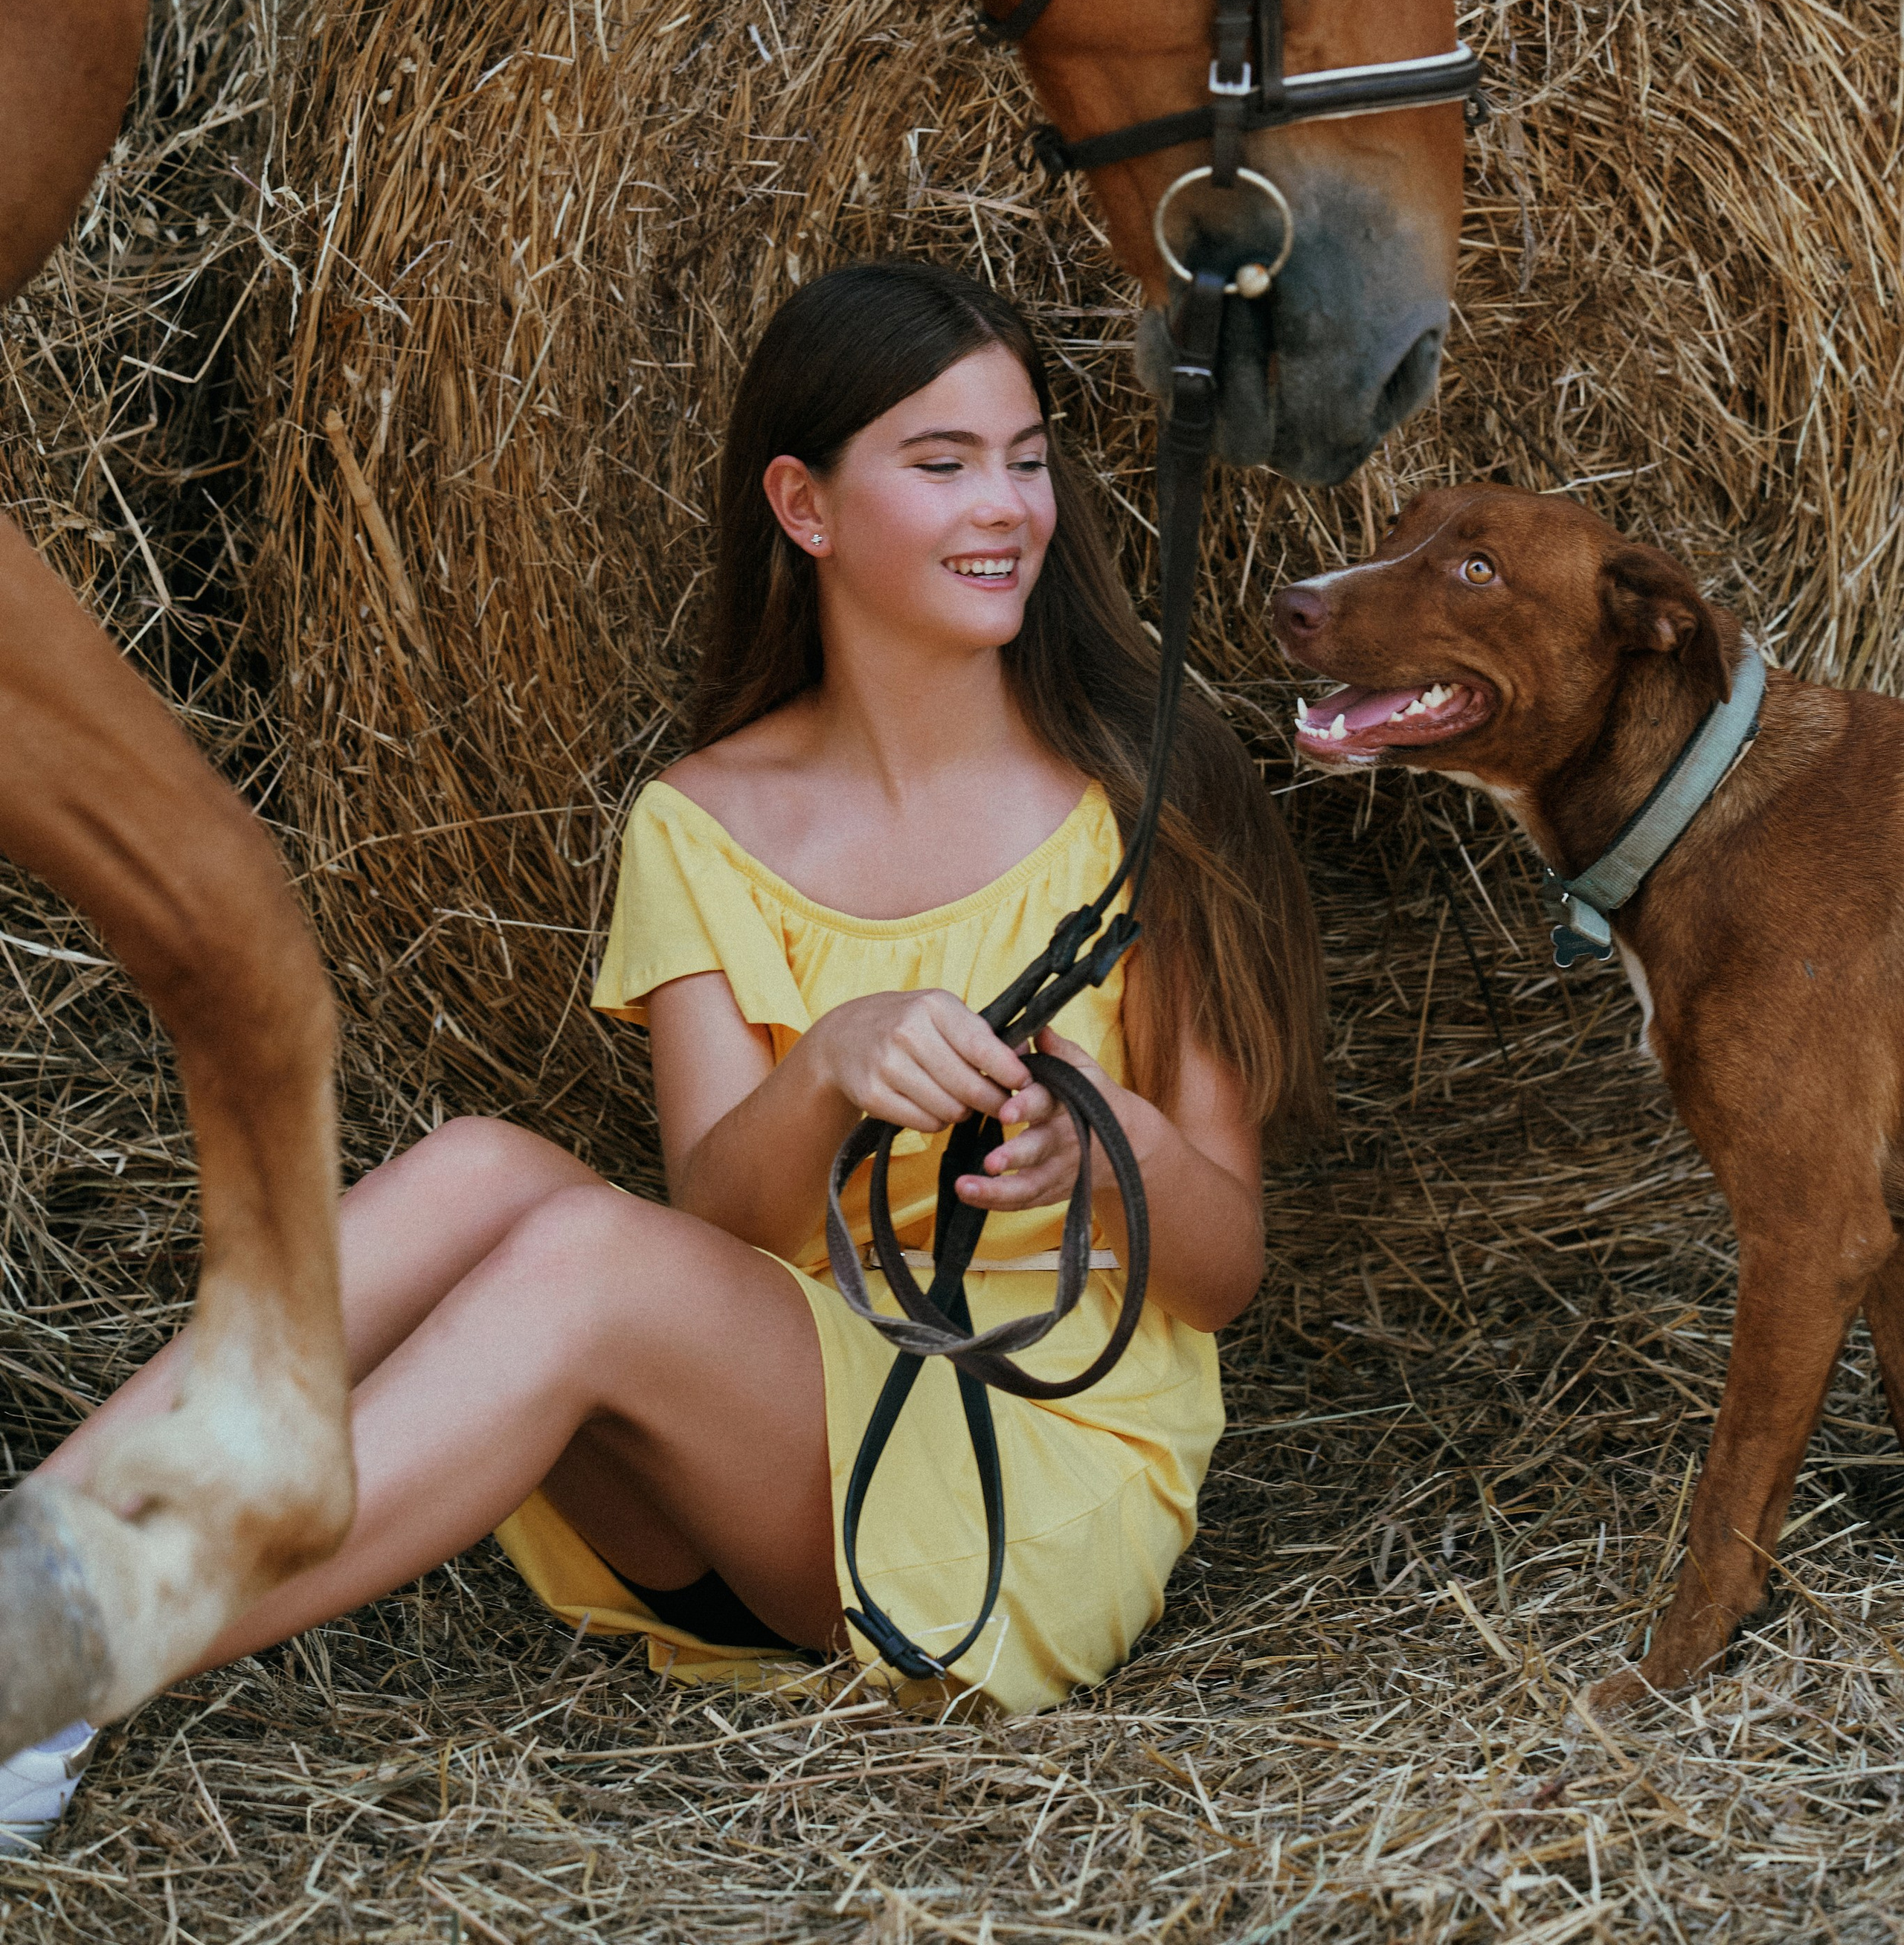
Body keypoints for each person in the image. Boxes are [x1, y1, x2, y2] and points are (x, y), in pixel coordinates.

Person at [4, 258, 1326, 1835]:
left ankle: (61, 1672)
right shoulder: (697, 827)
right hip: (759, 1459)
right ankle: (30, 1577)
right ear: (806, 505)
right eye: (942, 461)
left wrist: (1105, 1157)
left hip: (1028, 1488)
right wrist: (829, 1060)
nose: (1007, 508)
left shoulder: (1141, 801)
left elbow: (1227, 1263)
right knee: (480, 1171)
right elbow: (724, 1221)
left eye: (1027, 458)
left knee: (582, 1264)